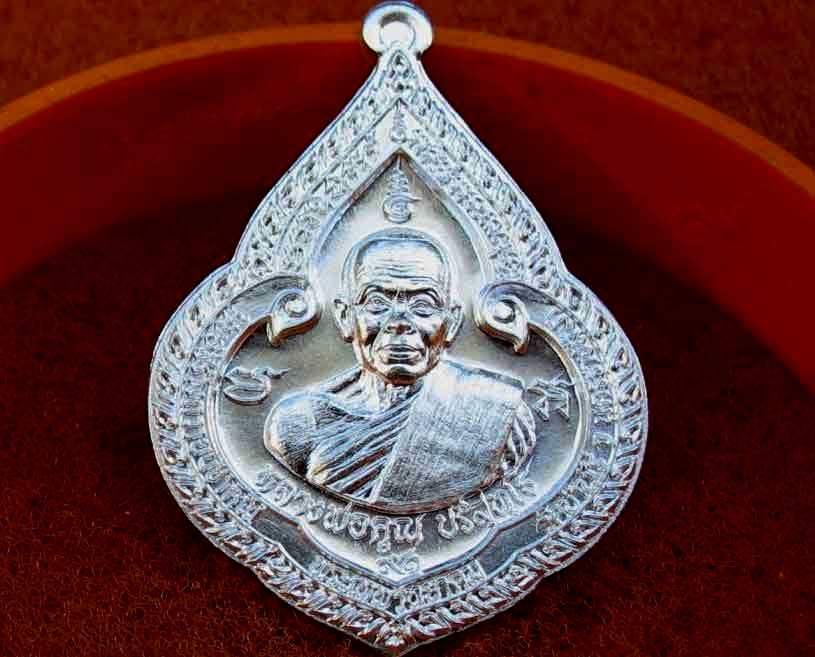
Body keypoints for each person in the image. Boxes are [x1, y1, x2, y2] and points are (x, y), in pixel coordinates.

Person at [264, 227, 535, 513]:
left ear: (452, 321)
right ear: (345, 317)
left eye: (423, 305)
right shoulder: (298, 424)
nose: (399, 323)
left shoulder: (499, 413)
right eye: (377, 304)